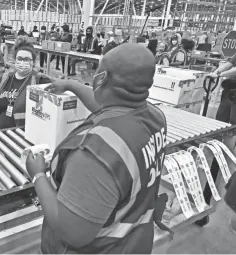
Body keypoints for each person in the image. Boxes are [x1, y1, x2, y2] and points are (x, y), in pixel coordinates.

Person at [26, 44, 167, 253]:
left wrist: (38, 175)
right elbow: (108, 105)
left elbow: (73, 232)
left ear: (101, 78)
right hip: (133, 243)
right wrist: (71, 85)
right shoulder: (155, 117)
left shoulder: (96, 153)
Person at [196, 54, 236, 227]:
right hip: (229, 96)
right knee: (219, 137)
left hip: (233, 98)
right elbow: (229, 63)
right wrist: (217, 71)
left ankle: (208, 203)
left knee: (224, 151)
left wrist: (220, 75)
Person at [0, 37, 51, 131]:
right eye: (19, 59)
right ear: (15, 60)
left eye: (27, 59)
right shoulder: (5, 78)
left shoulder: (39, 81)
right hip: (1, 134)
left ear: (33, 62)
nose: (22, 62)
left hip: (24, 136)